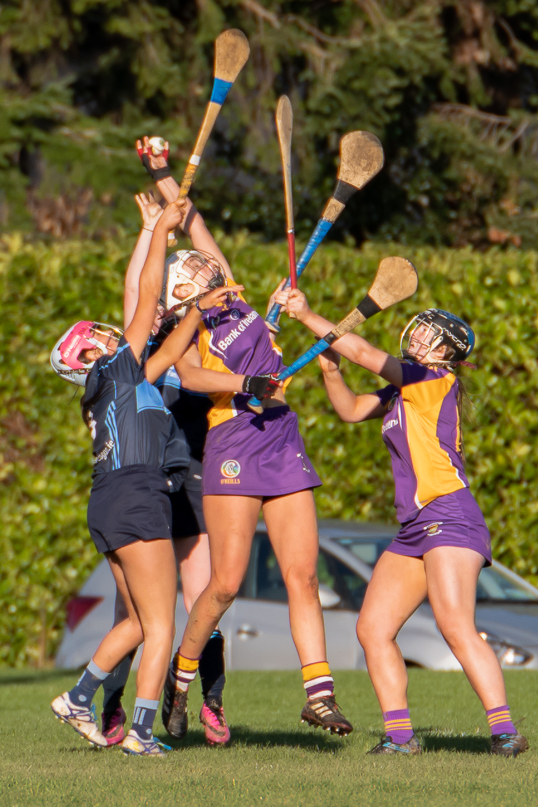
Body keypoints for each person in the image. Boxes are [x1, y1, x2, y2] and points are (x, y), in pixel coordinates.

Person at [139, 140, 353, 738]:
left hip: (280, 437)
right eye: (202, 275)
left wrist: (162, 174)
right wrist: (245, 379)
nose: (214, 272)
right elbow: (187, 377)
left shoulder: (239, 305)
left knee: (302, 576)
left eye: (213, 270)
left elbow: (196, 223)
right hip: (232, 442)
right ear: (185, 292)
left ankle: (319, 692)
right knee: (226, 583)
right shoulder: (190, 325)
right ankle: (179, 688)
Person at [277, 290, 528, 758]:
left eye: (431, 335)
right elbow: (350, 410)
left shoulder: (434, 379)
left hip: (450, 514)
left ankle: (505, 731)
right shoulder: (403, 390)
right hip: (415, 525)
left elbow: (366, 354)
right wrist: (331, 369)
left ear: (448, 355)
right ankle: (400, 738)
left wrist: (308, 315)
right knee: (373, 629)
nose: (418, 337)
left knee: (455, 625)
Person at [49, 199, 239, 756]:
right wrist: (157, 231)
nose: (112, 335)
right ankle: (138, 733)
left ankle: (79, 698)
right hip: (137, 496)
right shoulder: (115, 365)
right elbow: (148, 292)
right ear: (89, 353)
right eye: (99, 337)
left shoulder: (126, 380)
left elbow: (173, 349)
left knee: (135, 620)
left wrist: (202, 307)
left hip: (107, 502)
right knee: (160, 625)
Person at [99, 182, 230, 748]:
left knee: (206, 600)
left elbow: (220, 276)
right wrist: (153, 230)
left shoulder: (205, 334)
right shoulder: (142, 343)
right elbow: (138, 286)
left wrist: (177, 210)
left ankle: (207, 704)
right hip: (148, 478)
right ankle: (111, 707)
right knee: (137, 610)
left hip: (194, 473)